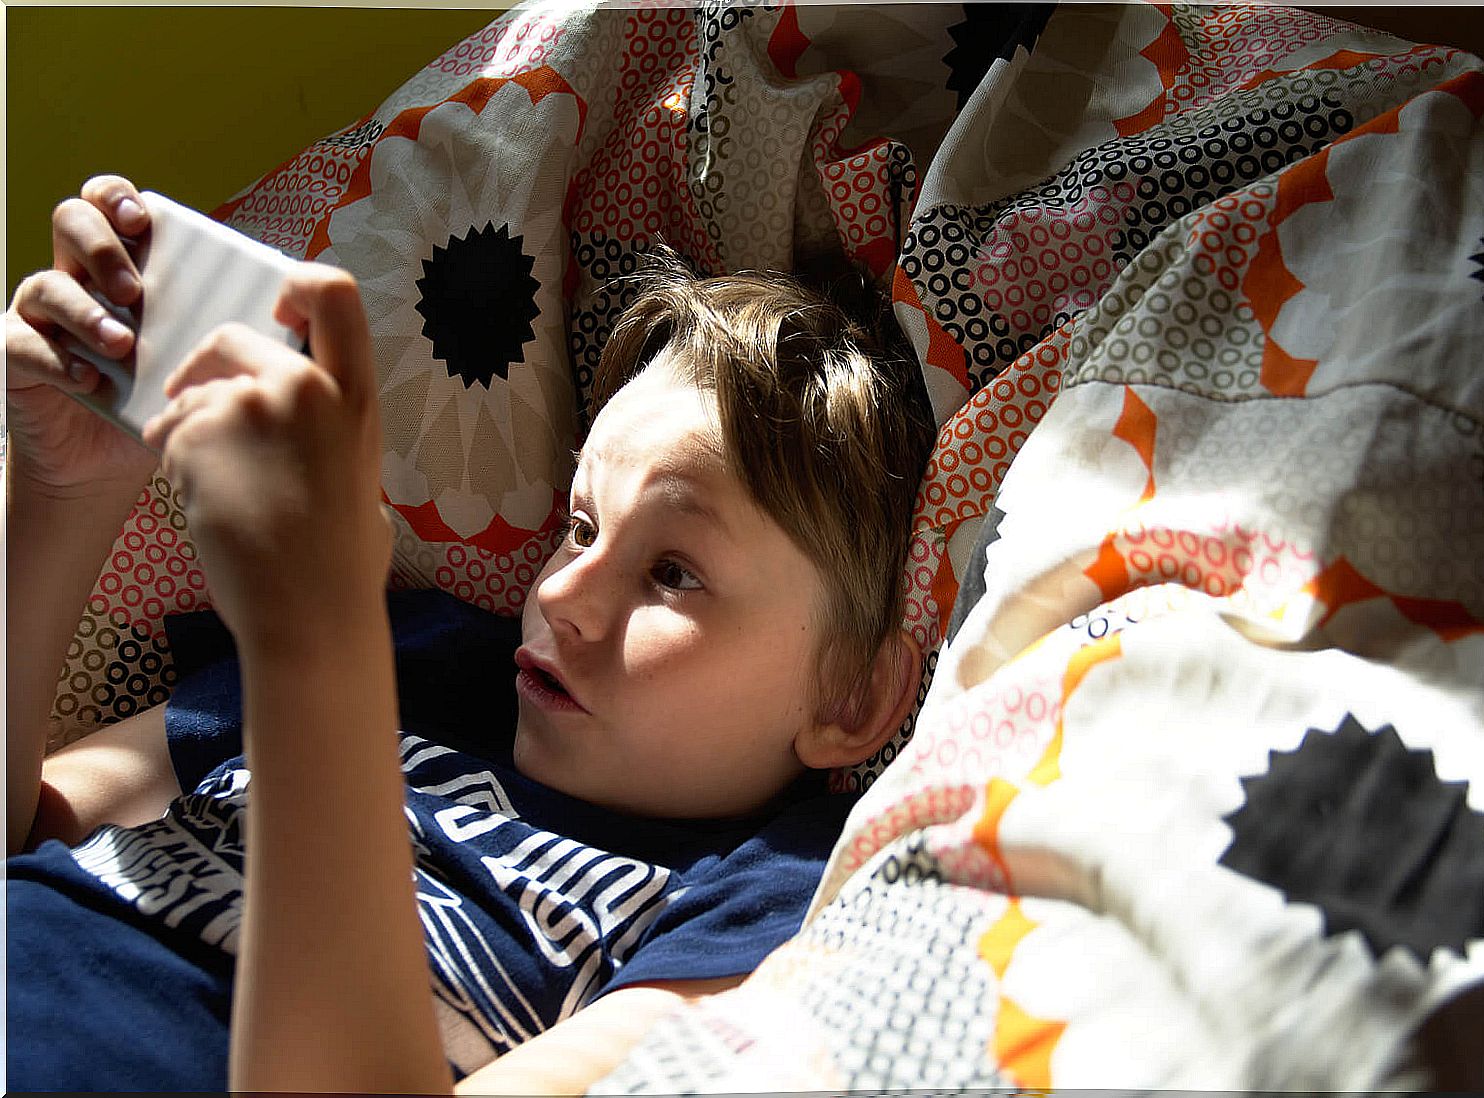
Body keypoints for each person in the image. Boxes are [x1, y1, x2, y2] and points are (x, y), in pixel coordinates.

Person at [4, 176, 936, 1093]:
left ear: (850, 694)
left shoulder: (775, 894)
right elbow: (32, 830)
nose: (564, 591)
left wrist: (315, 646)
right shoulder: (424, 658)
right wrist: (59, 497)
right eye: (580, 526)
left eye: (672, 572)